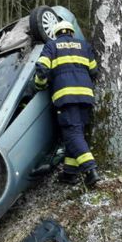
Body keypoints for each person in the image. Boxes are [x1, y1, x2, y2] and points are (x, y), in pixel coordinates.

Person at [34, 20, 100, 188]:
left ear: (56, 33)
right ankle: (69, 174)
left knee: (72, 135)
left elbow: (42, 67)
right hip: (85, 96)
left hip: (65, 97)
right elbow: (94, 70)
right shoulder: (84, 46)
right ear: (71, 32)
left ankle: (90, 169)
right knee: (76, 133)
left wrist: (40, 84)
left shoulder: (52, 46)